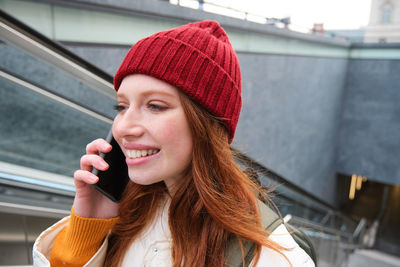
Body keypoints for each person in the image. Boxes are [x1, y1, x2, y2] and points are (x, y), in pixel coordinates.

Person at [33, 20, 315, 267]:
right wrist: (89, 226)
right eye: (121, 106)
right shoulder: (127, 213)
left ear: (207, 125)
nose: (124, 128)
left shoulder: (270, 255)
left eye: (155, 106)